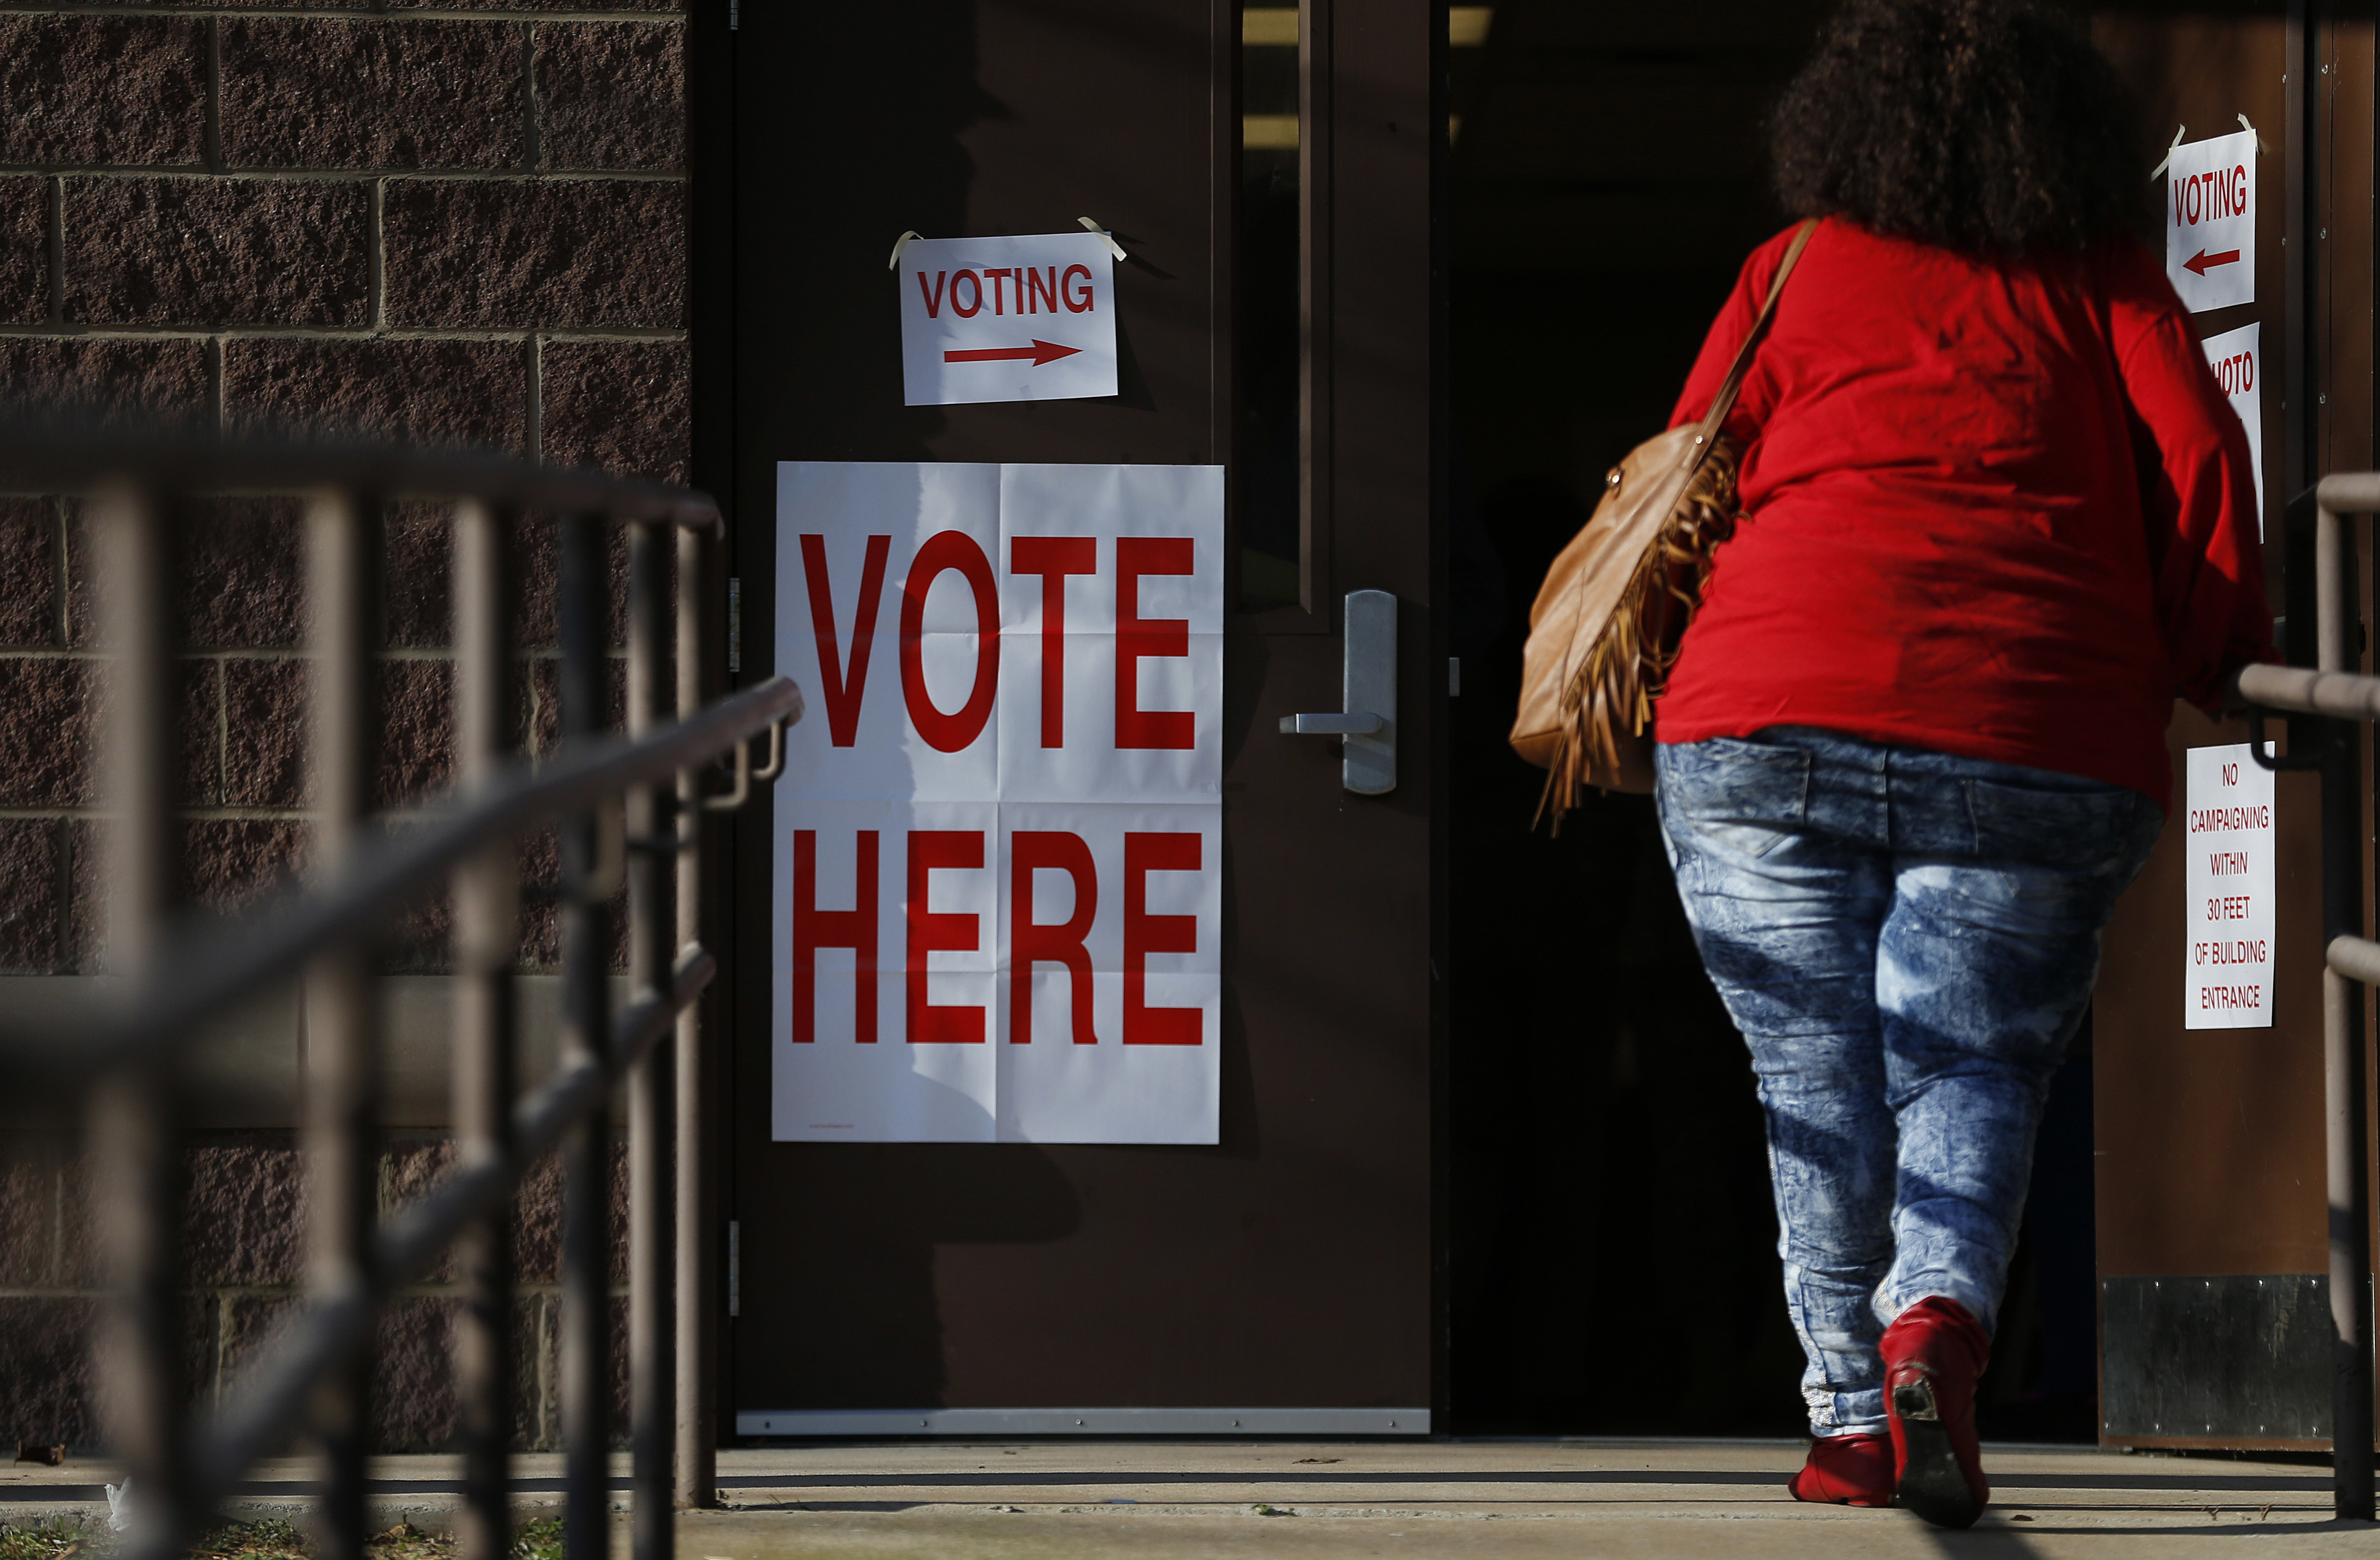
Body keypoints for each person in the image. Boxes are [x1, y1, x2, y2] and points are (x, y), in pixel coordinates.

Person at [1650, 0, 2270, 1529]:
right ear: (2062, 134)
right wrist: (2213, 652)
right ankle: (1936, 1327)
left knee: (1810, 1071)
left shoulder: (1786, 272)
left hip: (1761, 717)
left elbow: (1684, 475)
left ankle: (1853, 1420)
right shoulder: (2103, 271)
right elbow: (2199, 457)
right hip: (2032, 728)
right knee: (1972, 1059)